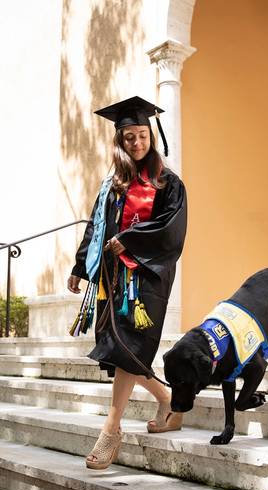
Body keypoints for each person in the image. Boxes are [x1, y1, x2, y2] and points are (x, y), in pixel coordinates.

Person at [67, 96, 187, 470]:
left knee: (128, 346)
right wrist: (79, 267)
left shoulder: (168, 183)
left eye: (141, 136)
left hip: (146, 278)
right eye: (128, 138)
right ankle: (167, 398)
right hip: (111, 277)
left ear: (151, 136)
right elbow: (96, 225)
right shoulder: (113, 183)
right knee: (120, 349)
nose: (136, 143)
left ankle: (111, 430)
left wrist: (131, 240)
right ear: (120, 141)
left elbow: (172, 229)